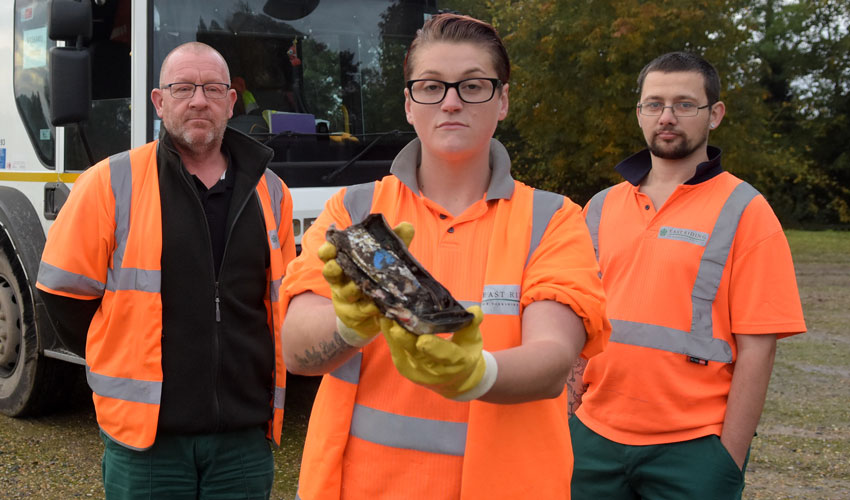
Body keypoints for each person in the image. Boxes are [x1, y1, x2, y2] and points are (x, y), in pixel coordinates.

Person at [281, 13, 610, 499]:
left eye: (472, 85)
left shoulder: (553, 219)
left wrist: (477, 374)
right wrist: (348, 326)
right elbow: (295, 351)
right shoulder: (353, 209)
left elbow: (554, 358)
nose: (451, 101)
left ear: (502, 101)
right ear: (410, 105)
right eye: (431, 86)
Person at [36, 42, 296, 499]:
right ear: (159, 101)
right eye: (183, 88)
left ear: (231, 102)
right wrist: (118, 351)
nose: (199, 100)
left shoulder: (271, 191)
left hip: (244, 439)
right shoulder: (109, 182)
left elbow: (283, 302)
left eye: (213, 89)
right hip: (147, 444)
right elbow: (62, 295)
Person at [569, 51, 807, 499]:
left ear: (714, 114)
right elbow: (579, 317)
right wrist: (570, 414)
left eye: (684, 103)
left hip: (694, 449)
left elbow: (759, 347)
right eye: (654, 103)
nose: (667, 116)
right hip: (593, 440)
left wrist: (728, 457)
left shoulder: (746, 211)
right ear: (639, 112)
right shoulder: (600, 208)